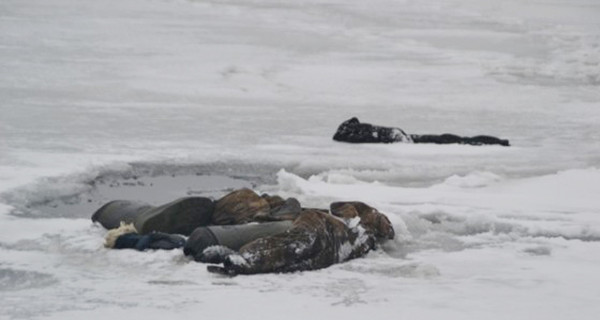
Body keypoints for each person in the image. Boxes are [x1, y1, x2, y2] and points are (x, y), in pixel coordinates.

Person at [94, 189, 395, 275]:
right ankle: (163, 227)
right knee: (255, 215)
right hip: (286, 219)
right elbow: (292, 246)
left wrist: (244, 261)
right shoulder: (349, 237)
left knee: (245, 211)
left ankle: (149, 221)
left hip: (287, 219)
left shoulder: (331, 228)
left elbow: (292, 245)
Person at [333, 117, 510, 146]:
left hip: (399, 137)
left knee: (452, 139)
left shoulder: (347, 133)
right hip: (399, 136)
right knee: (452, 139)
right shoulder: (351, 132)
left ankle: (498, 142)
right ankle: (498, 142)